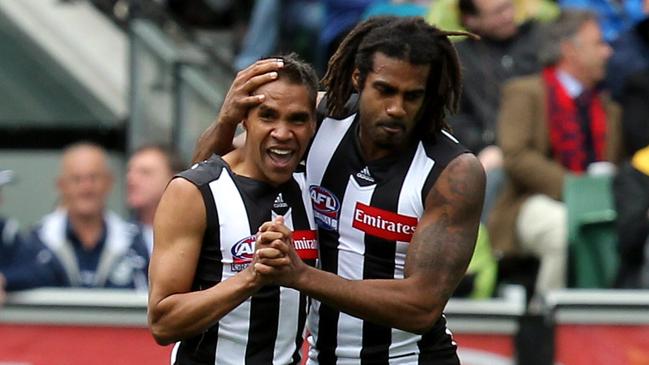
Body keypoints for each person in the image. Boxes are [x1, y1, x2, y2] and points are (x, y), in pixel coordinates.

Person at [195, 16, 486, 364]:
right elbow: (201, 188)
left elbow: (421, 306)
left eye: (412, 96)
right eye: (385, 90)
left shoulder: (452, 172)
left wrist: (301, 276)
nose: (396, 108)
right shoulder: (317, 121)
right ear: (358, 79)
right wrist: (227, 120)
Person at [147, 54, 321, 364]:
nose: (282, 133)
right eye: (268, 116)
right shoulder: (194, 191)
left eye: (297, 119)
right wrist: (253, 277)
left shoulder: (317, 183)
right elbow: (163, 322)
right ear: (244, 120)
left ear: (313, 124)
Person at [488, 10, 623, 297]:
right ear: (569, 50)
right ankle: (550, 324)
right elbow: (516, 156)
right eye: (598, 43)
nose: (608, 52)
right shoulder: (525, 93)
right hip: (531, 202)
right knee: (560, 228)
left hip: (599, 203)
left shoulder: (609, 108)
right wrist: (576, 190)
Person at [0, 142, 149, 292]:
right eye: (77, 179)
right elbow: (17, 276)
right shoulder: (38, 241)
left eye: (93, 178)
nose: (86, 187)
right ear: (61, 185)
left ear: (109, 182)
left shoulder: (134, 243)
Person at [452, 0, 545, 222]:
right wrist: (481, 146)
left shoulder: (537, 38)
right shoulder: (458, 57)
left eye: (508, 7)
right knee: (488, 176)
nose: (508, 15)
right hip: (496, 152)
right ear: (471, 20)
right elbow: (454, 116)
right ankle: (487, 248)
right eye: (497, 12)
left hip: (542, 144)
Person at [126, 143, 183, 255]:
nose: (131, 180)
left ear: (174, 179)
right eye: (130, 172)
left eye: (145, 172)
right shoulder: (116, 238)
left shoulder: (193, 237)